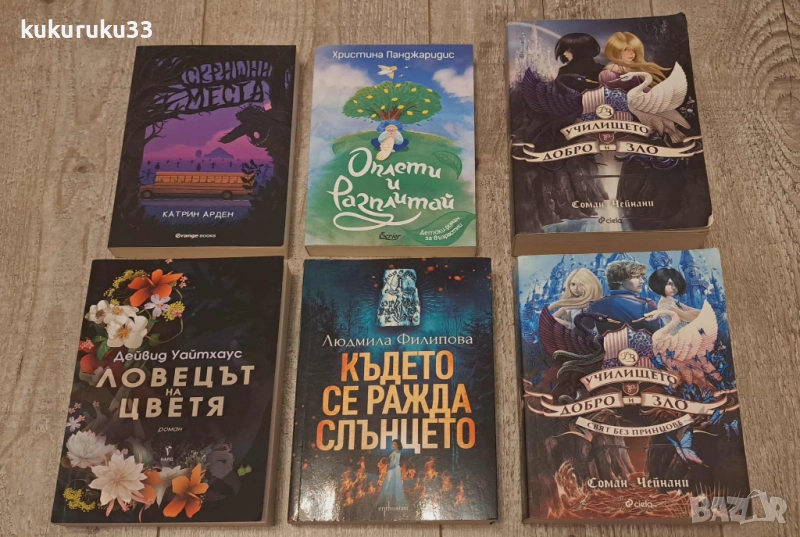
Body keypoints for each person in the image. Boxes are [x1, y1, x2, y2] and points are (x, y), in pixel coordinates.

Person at [587, 259, 661, 335]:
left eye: (641, 277)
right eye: (636, 277)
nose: (642, 281)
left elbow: (583, 333)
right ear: (619, 280)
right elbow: (657, 335)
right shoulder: (646, 304)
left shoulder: (594, 305)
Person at [599, 32, 671, 92]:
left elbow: (638, 89)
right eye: (626, 49)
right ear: (615, 50)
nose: (632, 53)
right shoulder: (608, 74)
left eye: (634, 50)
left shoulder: (633, 70)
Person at [648, 267, 700, 334]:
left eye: (676, 284)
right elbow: (690, 318)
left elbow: (689, 309)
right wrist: (693, 314)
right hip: (679, 336)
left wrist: (696, 313)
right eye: (669, 284)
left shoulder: (671, 300)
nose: (673, 287)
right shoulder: (665, 305)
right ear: (659, 285)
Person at [377, 440, 407, 508]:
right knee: (389, 483)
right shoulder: (394, 452)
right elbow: (390, 460)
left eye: (394, 444)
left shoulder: (397, 452)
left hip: (394, 469)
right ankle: (388, 502)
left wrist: (389, 468)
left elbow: (395, 463)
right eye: (392, 444)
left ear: (398, 445)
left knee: (393, 483)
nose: (393, 445)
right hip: (392, 469)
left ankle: (392, 502)